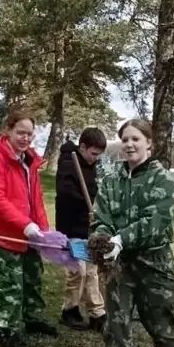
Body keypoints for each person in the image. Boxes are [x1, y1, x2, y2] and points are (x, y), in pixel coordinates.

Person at [92, 119, 174, 347]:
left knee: (161, 323)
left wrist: (122, 238)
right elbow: (102, 217)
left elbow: (156, 221)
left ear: (149, 143)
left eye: (136, 138)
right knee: (116, 325)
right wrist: (103, 239)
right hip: (119, 264)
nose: (129, 144)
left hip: (154, 263)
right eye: (125, 139)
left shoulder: (163, 179)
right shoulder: (111, 181)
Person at [0, 109, 57, 347]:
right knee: (11, 284)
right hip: (2, 235)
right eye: (20, 132)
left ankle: (33, 319)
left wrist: (43, 231)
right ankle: (8, 330)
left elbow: (36, 199)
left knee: (33, 277)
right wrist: (25, 224)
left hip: (29, 235)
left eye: (30, 134)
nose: (25, 138)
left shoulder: (29, 161)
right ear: (8, 131)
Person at [55, 127, 107, 333]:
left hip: (88, 227)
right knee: (78, 270)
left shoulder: (89, 165)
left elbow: (92, 191)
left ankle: (97, 313)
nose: (95, 158)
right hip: (72, 228)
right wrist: (87, 208)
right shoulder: (69, 163)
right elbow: (65, 195)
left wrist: (95, 210)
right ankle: (70, 310)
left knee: (92, 271)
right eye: (93, 153)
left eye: (98, 155)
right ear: (83, 147)